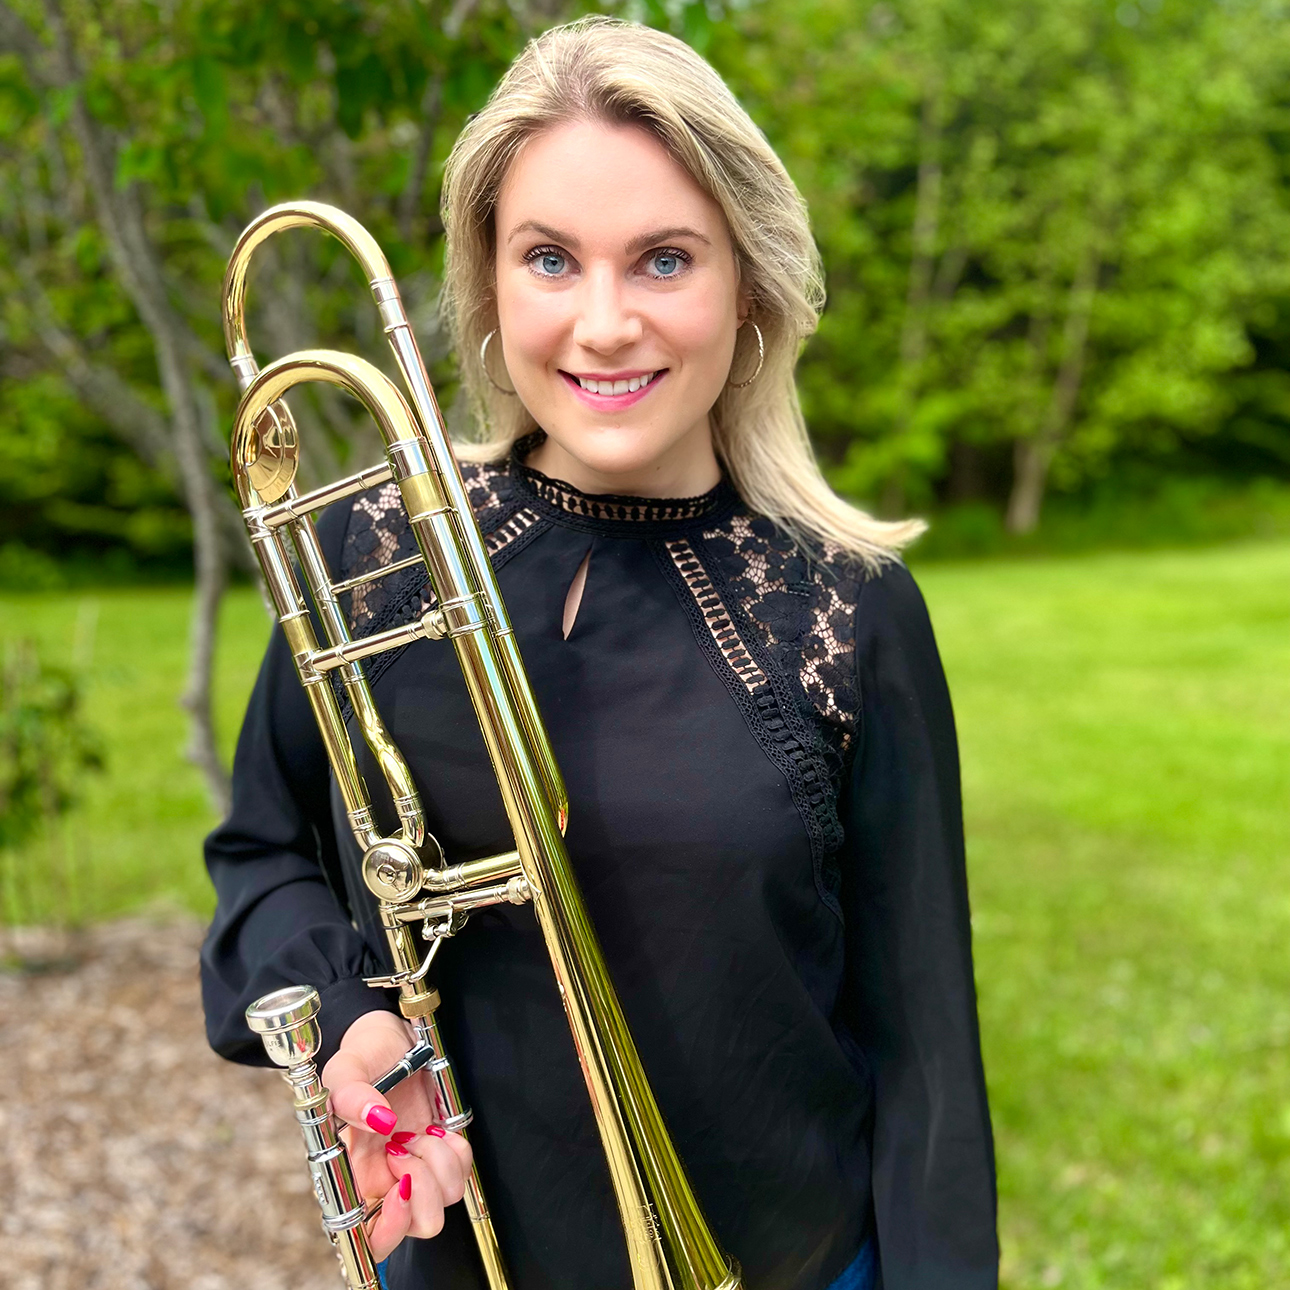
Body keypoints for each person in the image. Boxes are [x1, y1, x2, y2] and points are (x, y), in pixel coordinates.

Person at [201, 16, 998, 1290]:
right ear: (490, 282)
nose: (605, 322)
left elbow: (926, 1058)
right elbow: (265, 850)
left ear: (749, 285)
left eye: (665, 260)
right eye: (552, 259)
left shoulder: (846, 610)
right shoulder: (368, 551)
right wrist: (345, 1020)